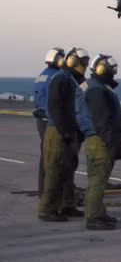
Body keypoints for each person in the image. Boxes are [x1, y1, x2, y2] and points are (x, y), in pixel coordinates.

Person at [38, 47, 89, 222]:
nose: (85, 65)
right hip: (58, 131)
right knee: (54, 170)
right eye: (83, 62)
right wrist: (65, 130)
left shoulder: (77, 80)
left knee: (69, 169)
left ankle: (67, 205)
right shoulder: (60, 78)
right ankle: (47, 209)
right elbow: (54, 107)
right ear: (73, 61)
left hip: (71, 129)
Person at [76, 54, 121, 231]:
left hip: (96, 139)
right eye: (111, 70)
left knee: (96, 179)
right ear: (101, 69)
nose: (113, 73)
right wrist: (113, 144)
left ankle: (98, 212)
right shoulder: (97, 90)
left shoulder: (91, 86)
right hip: (101, 140)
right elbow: (103, 120)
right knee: (98, 180)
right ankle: (94, 217)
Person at [32, 47, 64, 194]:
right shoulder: (56, 76)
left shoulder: (42, 75)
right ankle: (50, 191)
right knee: (54, 155)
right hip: (51, 119)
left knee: (45, 154)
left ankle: (43, 189)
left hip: (42, 119)